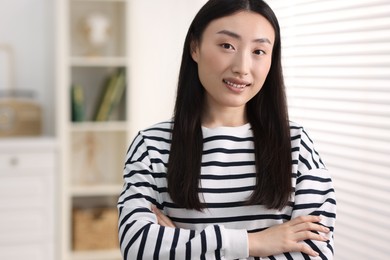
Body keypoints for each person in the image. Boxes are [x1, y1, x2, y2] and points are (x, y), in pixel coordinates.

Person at [117, 0, 336, 259]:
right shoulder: (151, 147)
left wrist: (184, 246)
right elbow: (138, 246)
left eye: (259, 51)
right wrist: (255, 243)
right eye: (227, 46)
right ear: (195, 47)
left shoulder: (297, 145)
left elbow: (315, 253)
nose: (242, 67)